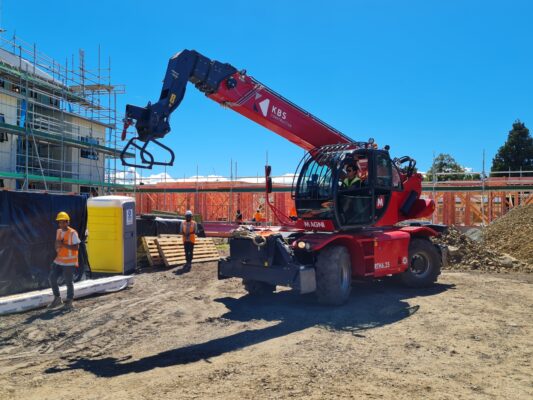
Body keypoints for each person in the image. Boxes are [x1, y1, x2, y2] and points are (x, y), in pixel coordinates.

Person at [48, 211, 80, 310]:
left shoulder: (73, 233)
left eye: (63, 222)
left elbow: (76, 248)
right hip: (59, 260)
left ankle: (69, 301)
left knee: (68, 282)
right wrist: (57, 246)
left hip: (69, 262)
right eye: (59, 222)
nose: (61, 224)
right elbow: (56, 243)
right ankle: (57, 299)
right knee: (52, 278)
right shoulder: (58, 231)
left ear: (67, 222)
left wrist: (63, 245)